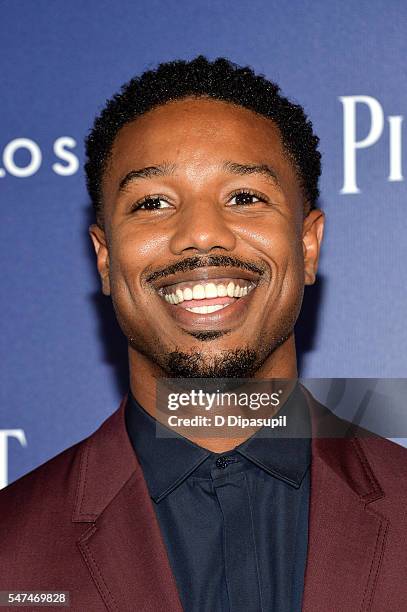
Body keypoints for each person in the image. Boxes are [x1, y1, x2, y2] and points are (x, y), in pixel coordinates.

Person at [1, 56, 406, 612]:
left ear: (308, 245)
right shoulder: (10, 551)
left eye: (244, 197)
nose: (200, 235)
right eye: (153, 203)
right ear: (103, 257)